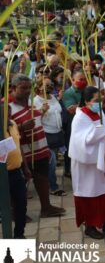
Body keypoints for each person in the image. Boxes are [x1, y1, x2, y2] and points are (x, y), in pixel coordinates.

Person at [69, 86, 105, 239]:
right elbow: (78, 142)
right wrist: (95, 134)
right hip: (88, 165)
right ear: (86, 101)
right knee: (91, 193)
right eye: (96, 101)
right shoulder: (80, 117)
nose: (99, 103)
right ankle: (90, 225)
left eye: (100, 100)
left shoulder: (99, 113)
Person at [10, 74, 65, 218]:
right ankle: (18, 213)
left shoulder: (28, 102)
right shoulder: (6, 106)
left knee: (42, 178)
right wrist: (21, 126)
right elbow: (5, 131)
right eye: (23, 88)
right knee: (20, 185)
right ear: (13, 88)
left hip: (40, 148)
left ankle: (46, 208)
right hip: (22, 153)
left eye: (29, 88)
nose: (27, 91)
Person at [33, 76, 66, 196]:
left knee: (53, 160)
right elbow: (34, 119)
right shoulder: (36, 101)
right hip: (45, 134)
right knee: (51, 161)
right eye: (46, 85)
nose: (50, 87)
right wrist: (42, 111)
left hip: (57, 133)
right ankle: (53, 187)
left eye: (51, 84)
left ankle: (49, 183)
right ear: (39, 87)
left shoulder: (53, 98)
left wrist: (60, 99)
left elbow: (58, 111)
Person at [4, 104, 30, 238]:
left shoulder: (13, 124)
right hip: (3, 175)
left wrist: (25, 167)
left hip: (16, 172)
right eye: (4, 113)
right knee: (5, 208)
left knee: (21, 204)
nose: (7, 116)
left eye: (9, 113)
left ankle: (19, 234)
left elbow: (18, 147)